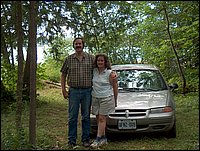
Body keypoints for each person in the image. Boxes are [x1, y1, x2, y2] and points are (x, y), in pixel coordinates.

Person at [60, 37, 94, 148]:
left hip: (87, 91)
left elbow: (100, 70)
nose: (78, 45)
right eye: (76, 44)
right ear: (74, 46)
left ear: (83, 45)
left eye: (80, 44)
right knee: (72, 117)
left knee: (86, 117)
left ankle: (85, 140)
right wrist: (64, 90)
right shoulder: (69, 59)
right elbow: (63, 74)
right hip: (73, 91)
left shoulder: (91, 58)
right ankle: (71, 141)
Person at [90, 53, 118, 148]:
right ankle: (104, 138)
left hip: (106, 98)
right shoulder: (93, 71)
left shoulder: (110, 73)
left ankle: (97, 139)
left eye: (102, 60)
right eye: (98, 60)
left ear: (105, 62)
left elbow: (115, 87)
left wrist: (115, 100)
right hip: (95, 97)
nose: (100, 62)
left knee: (102, 118)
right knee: (99, 119)